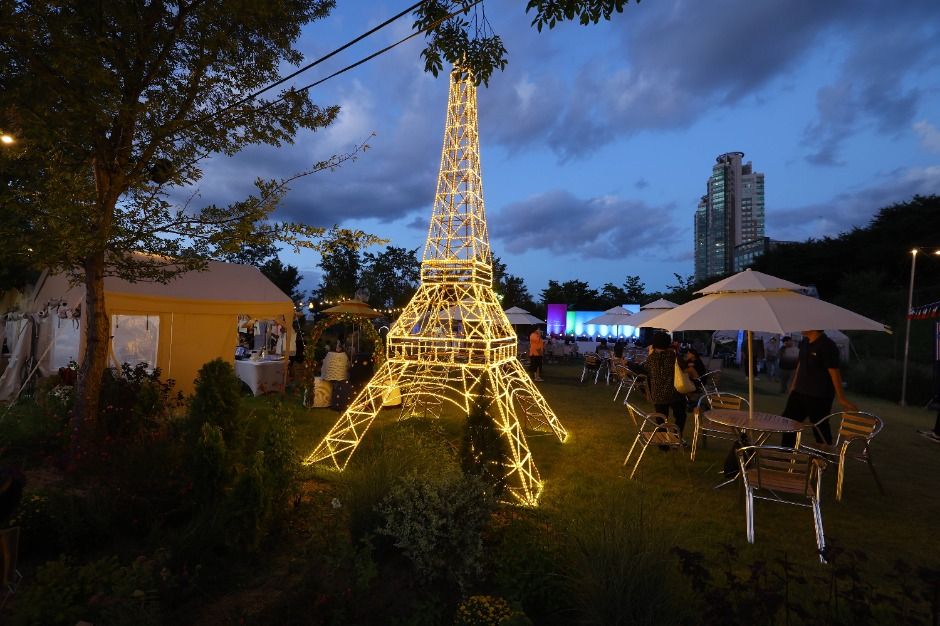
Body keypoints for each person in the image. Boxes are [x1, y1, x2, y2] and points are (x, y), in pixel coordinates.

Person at [781, 330, 857, 447]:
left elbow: (834, 372)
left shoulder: (828, 345)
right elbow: (800, 363)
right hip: (799, 392)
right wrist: (794, 385)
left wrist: (841, 398)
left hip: (819, 396)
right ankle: (786, 455)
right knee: (788, 422)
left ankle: (822, 459)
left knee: (820, 428)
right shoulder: (805, 342)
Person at [638, 331, 687, 438]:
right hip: (674, 393)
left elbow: (645, 370)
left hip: (658, 393)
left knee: (661, 418)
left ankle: (663, 444)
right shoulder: (673, 355)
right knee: (681, 416)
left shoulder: (652, 358)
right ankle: (676, 437)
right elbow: (684, 367)